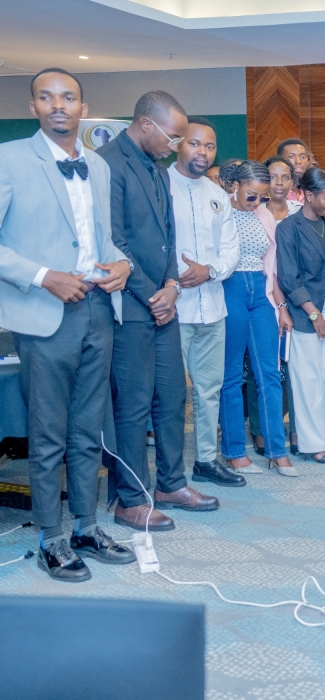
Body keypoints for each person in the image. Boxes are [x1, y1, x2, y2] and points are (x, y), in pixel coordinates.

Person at [3, 68, 135, 581]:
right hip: (45, 314)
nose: (59, 105)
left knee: (89, 430)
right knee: (47, 434)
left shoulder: (98, 167)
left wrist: (121, 264)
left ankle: (85, 526)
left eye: (69, 97)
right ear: (33, 105)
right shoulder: (10, 159)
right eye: (46, 97)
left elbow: (101, 241)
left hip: (99, 309)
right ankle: (50, 537)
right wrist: (43, 277)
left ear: (84, 106)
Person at [98, 90, 218, 530]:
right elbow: (114, 242)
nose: (177, 145)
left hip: (162, 302)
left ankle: (170, 483)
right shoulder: (108, 164)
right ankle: (130, 498)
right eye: (173, 136)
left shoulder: (156, 166)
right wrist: (155, 294)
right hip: (129, 307)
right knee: (131, 407)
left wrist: (171, 284)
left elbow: (169, 236)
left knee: (172, 397)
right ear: (146, 124)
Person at [169, 116, 244, 488]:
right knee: (169, 394)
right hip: (173, 308)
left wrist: (210, 271)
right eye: (195, 143)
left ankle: (205, 460)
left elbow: (232, 250)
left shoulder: (217, 195)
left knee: (209, 389)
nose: (203, 152)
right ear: (177, 144)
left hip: (213, 306)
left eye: (210, 146)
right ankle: (168, 469)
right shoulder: (159, 186)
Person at [223, 159, 297, 474]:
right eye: (252, 195)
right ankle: (235, 451)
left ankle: (277, 450)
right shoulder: (220, 212)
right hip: (230, 290)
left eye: (262, 196)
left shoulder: (264, 214)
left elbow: (272, 266)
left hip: (262, 294)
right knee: (231, 377)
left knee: (269, 372)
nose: (258, 202)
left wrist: (280, 307)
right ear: (234, 187)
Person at [275, 168, 325, 465]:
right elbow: (289, 276)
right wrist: (313, 313)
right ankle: (311, 444)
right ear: (308, 195)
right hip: (304, 314)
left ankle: (323, 437)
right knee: (307, 380)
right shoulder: (289, 228)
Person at [277, 138, 310, 204]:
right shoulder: (275, 191)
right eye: (291, 156)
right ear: (280, 161)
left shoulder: (312, 191)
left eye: (302, 157)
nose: (298, 161)